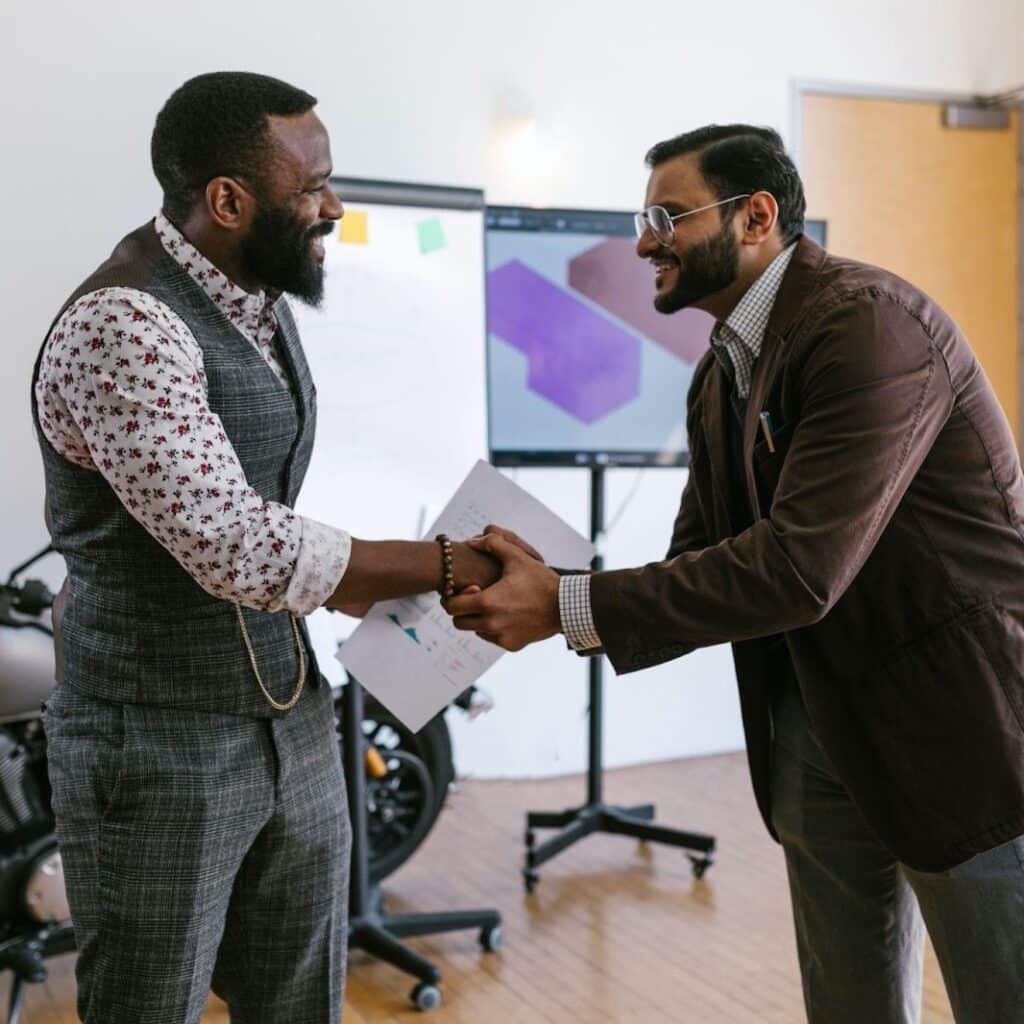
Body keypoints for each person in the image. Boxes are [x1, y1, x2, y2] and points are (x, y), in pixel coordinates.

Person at [448, 125, 1024, 1022]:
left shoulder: (868, 324)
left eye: (666, 216)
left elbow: (797, 567)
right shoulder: (721, 370)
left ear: (757, 216)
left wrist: (564, 605)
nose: (644, 242)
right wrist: (549, 583)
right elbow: (696, 568)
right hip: (817, 730)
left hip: (961, 736)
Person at [32, 71, 498, 1024]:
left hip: (289, 714)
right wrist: (447, 565)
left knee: (299, 1003)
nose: (334, 205)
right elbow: (236, 545)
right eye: (311, 188)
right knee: (146, 1007)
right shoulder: (122, 323)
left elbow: (266, 500)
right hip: (153, 738)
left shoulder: (260, 299)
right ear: (229, 201)